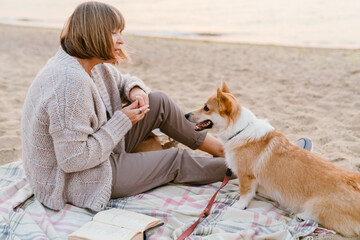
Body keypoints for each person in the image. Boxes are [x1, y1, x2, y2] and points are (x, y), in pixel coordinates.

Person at [22, 1, 313, 213]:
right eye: (114, 32)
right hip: (81, 178)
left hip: (99, 151)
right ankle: (246, 168)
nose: (121, 39)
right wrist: (122, 120)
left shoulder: (88, 62)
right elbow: (72, 160)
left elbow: (121, 80)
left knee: (157, 100)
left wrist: (135, 89)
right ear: (95, 34)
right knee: (174, 161)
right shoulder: (68, 85)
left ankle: (226, 150)